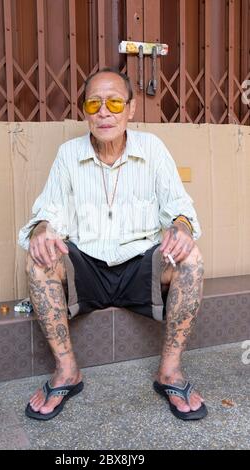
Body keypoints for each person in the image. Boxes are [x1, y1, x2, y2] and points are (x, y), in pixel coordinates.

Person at [18, 68, 207, 421]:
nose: (104, 112)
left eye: (115, 102)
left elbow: (181, 209)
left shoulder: (152, 148)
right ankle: (67, 371)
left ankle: (169, 372)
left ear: (131, 109)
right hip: (86, 266)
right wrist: (42, 228)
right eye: (94, 103)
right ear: (85, 111)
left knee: (191, 257)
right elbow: (49, 213)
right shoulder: (68, 154)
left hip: (140, 264)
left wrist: (181, 227)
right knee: (39, 256)